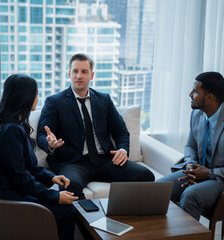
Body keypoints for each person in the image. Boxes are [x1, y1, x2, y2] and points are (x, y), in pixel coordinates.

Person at [37, 53, 155, 199]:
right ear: (69, 74)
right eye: (75, 71)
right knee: (69, 184)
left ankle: (124, 217)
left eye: (84, 72)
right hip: (73, 162)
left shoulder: (104, 100)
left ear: (91, 75)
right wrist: (50, 144)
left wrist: (123, 150)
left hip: (105, 160)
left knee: (145, 175)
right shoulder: (54, 102)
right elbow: (42, 135)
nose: (79, 76)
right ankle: (85, 222)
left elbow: (121, 132)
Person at [0, 74, 78, 240]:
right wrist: (55, 197)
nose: (37, 98)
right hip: (7, 199)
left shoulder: (14, 126)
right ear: (24, 98)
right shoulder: (10, 130)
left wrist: (53, 177)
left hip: (13, 191)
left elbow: (29, 167)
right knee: (66, 212)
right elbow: (21, 177)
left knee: (64, 206)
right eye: (35, 94)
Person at [157, 71, 224, 220]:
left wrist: (211, 173)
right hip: (201, 172)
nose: (190, 95)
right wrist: (190, 165)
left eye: (195, 92)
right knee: (157, 190)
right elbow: (190, 146)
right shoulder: (197, 113)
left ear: (210, 97)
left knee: (190, 195)